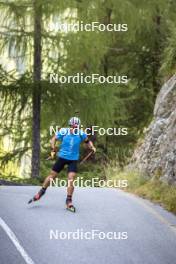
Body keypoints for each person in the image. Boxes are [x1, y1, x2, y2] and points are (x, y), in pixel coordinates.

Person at [28, 117, 96, 212]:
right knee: (52, 176)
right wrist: (53, 149)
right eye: (73, 127)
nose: (74, 128)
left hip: (73, 160)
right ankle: (41, 192)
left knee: (71, 178)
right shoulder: (64, 131)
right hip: (62, 158)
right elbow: (53, 139)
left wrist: (92, 147)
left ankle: (69, 200)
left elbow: (88, 141)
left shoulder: (81, 134)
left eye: (76, 127)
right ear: (70, 126)